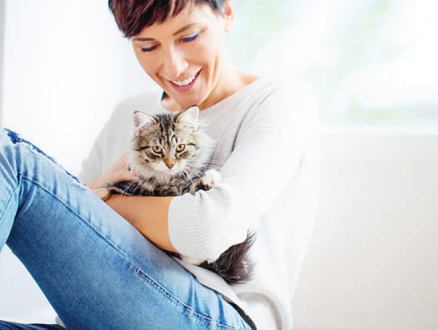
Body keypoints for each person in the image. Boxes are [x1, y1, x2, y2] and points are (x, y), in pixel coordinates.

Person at [0, 0, 319, 329]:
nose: (174, 67)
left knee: (14, 162)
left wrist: (103, 199)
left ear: (227, 13)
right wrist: (84, 203)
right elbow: (65, 232)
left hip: (216, 312)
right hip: (89, 317)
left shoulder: (280, 101)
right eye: (148, 46)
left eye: (189, 37)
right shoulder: (131, 112)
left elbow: (208, 230)